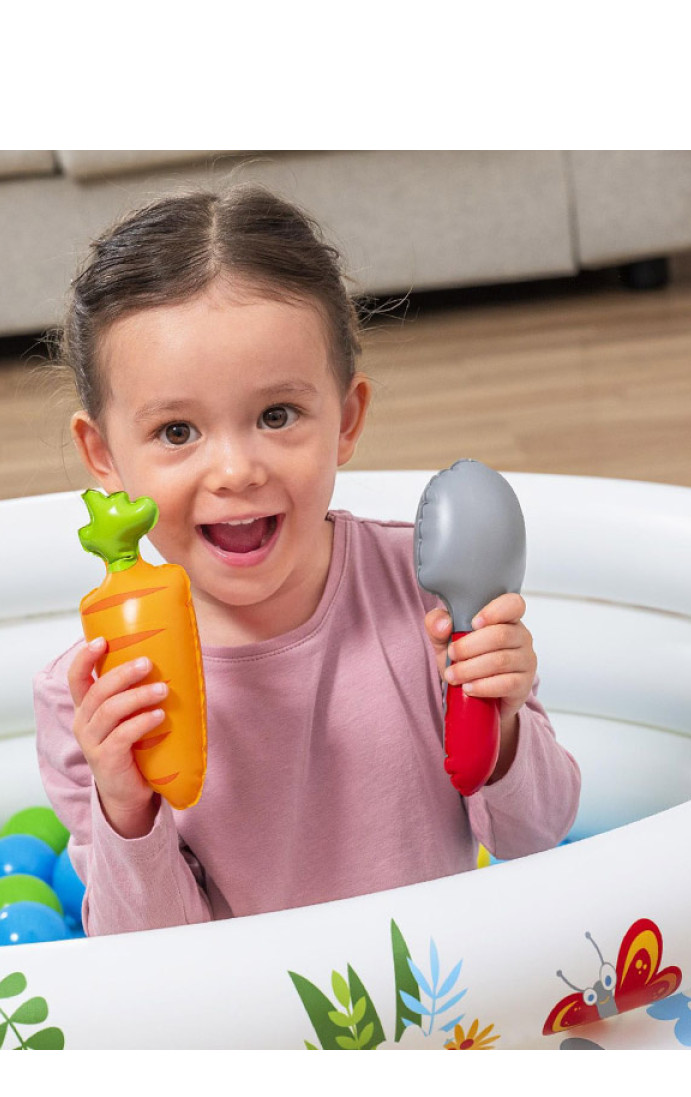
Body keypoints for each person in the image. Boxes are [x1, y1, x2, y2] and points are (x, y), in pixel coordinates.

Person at [34, 184, 580, 935]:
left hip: (437, 993)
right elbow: (150, 959)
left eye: (276, 415)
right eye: (177, 432)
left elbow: (537, 834)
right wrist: (125, 809)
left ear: (346, 420)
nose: (235, 471)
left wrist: (505, 720)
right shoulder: (95, 696)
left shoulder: (428, 596)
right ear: (102, 454)